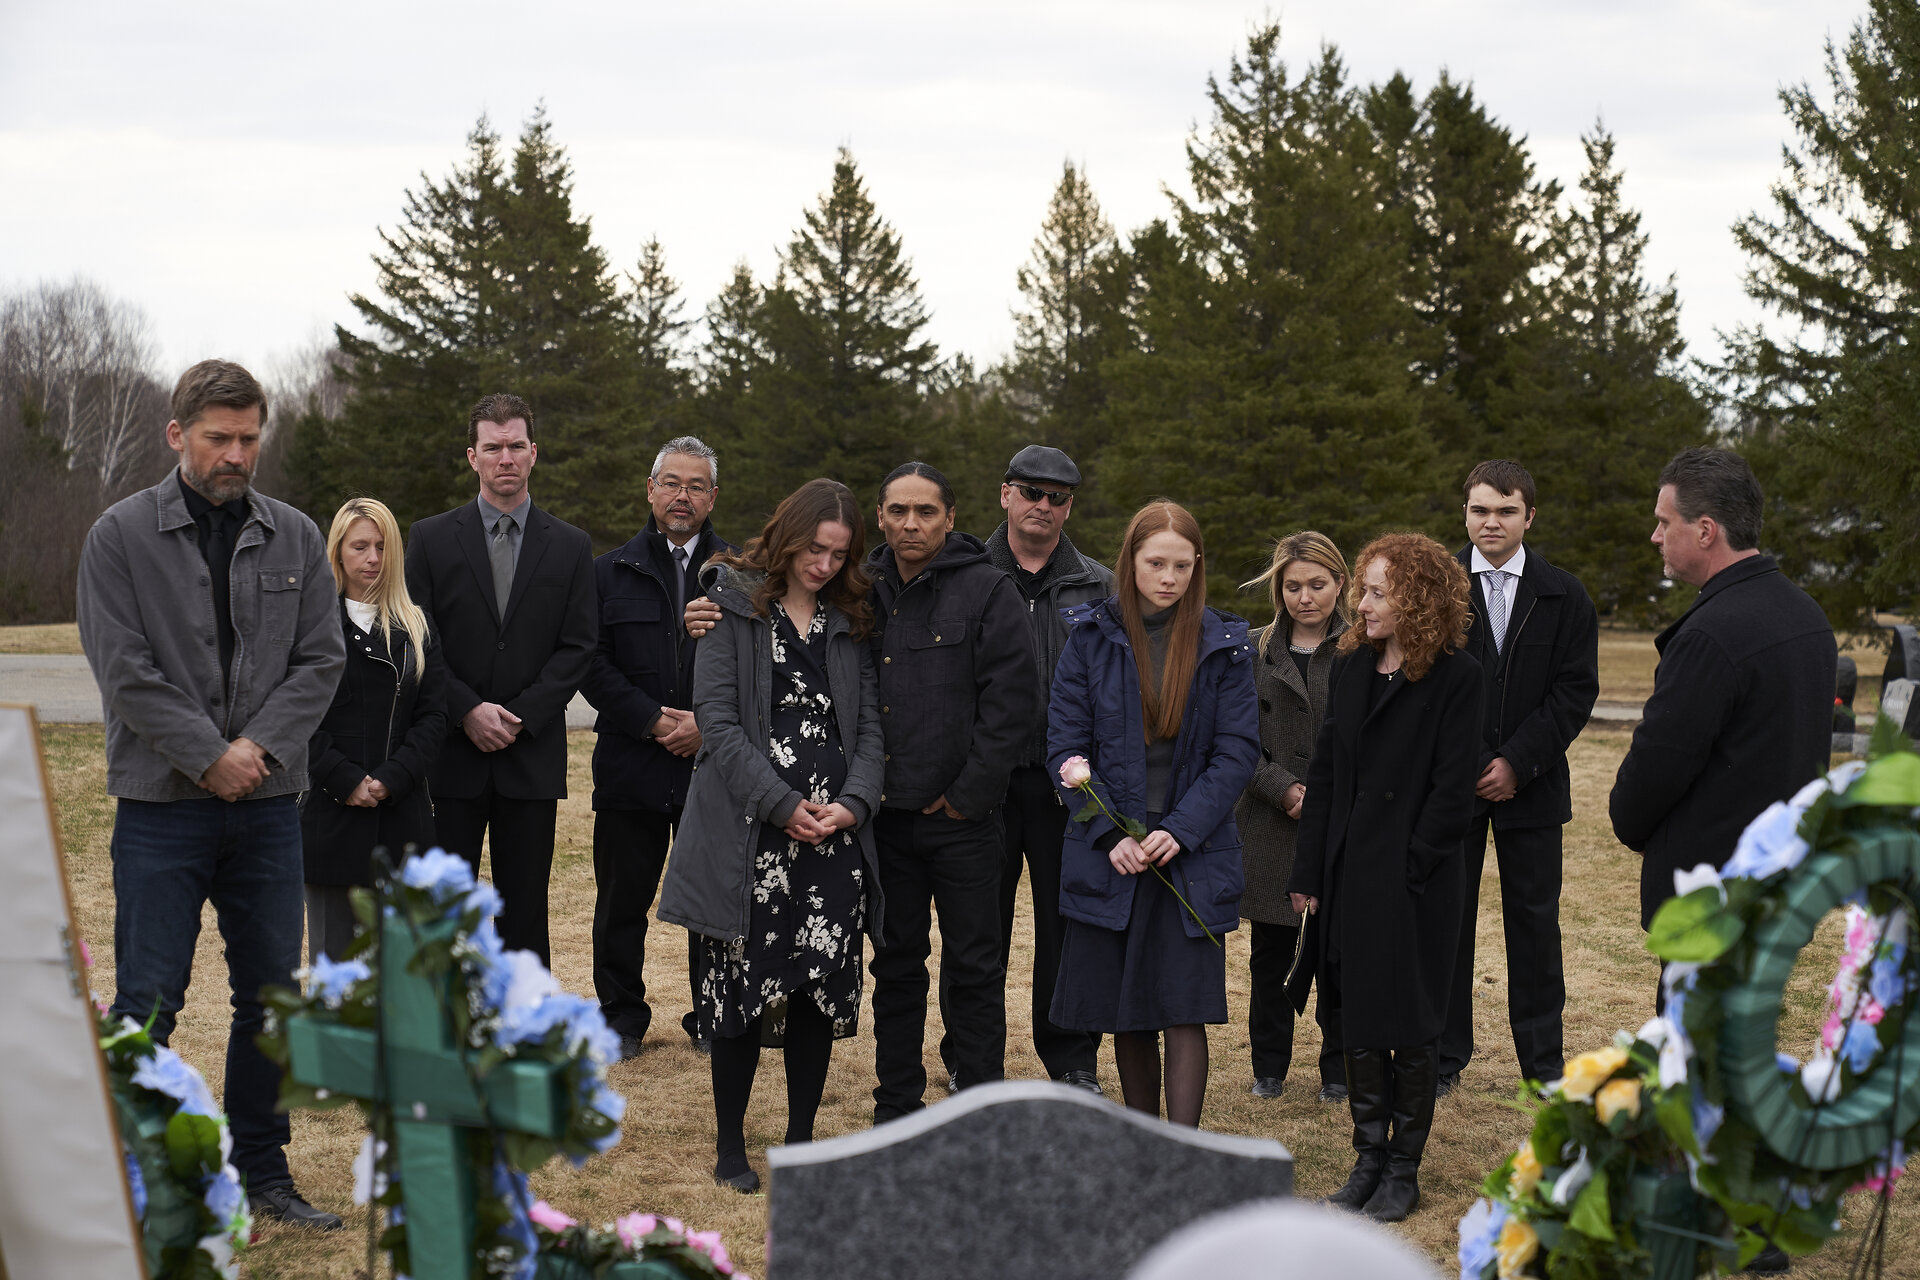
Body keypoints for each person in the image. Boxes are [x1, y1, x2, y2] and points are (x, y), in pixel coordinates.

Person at [77, 359, 346, 1228]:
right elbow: (126, 673)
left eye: (249, 438)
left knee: (270, 997)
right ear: (176, 435)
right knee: (149, 1000)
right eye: (219, 437)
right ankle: (135, 1178)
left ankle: (262, 1172)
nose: (237, 453)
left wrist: (255, 751)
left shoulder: (298, 536)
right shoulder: (118, 537)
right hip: (160, 810)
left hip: (268, 808)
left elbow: (321, 662)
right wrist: (208, 758)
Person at [656, 479, 885, 1193]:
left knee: (817, 990)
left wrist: (852, 805)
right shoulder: (732, 607)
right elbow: (716, 726)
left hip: (831, 842)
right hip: (752, 840)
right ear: (787, 536)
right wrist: (784, 805)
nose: (823, 565)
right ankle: (731, 1146)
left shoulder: (850, 619)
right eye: (814, 549)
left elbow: (871, 729)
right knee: (738, 997)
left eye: (837, 554)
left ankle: (801, 1141)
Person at [1286, 532, 1480, 1223]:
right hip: (1349, 871)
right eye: (1363, 589)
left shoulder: (1459, 677)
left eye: (1373, 591)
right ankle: (1367, 1158)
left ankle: (1404, 1167)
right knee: (1360, 1017)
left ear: (1415, 599)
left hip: (1416, 881)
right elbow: (1328, 774)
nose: (1359, 603)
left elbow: (1454, 792)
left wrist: (1411, 867)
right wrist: (1310, 870)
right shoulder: (1352, 667)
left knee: (1415, 1021)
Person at [1047, 501, 1259, 1126]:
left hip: (1187, 854)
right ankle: (1145, 1142)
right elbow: (1065, 745)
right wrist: (1110, 831)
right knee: (1127, 1006)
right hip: (1115, 853)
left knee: (1183, 1005)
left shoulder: (1226, 643)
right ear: (1130, 562)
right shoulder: (1089, 638)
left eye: (1182, 566)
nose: (1169, 577)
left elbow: (1237, 751)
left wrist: (1181, 830)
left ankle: (1182, 1149)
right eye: (1155, 563)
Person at [864, 462, 1039, 1120]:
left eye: (926, 512)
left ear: (951, 517)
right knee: (896, 966)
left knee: (974, 967)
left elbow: (1012, 705)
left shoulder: (987, 591)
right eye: (899, 511)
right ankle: (897, 1106)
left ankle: (979, 1104)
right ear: (880, 516)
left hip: (965, 823)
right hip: (884, 822)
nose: (912, 524)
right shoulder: (861, 589)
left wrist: (968, 794)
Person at [404, 393, 597, 965]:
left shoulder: (570, 545)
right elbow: (420, 634)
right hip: (449, 754)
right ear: (473, 456)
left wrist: (523, 715)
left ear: (533, 453)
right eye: (493, 447)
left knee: (525, 907)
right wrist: (466, 709)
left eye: (516, 446)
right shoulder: (431, 539)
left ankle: (517, 1029)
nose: (505, 457)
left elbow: (579, 645)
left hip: (529, 755)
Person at [1611, 447, 1835, 930]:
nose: (1655, 536)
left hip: (1711, 888)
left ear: (1706, 530)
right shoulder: (1806, 614)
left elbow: (1659, 763)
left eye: (1665, 523)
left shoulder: (1710, 636)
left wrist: (1629, 822)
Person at [948, 444, 1111, 1094]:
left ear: (1069, 506)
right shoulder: (962, 575)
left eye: (1057, 497)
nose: (1044, 506)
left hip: (1066, 790)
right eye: (1032, 492)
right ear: (1005, 494)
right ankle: (968, 1058)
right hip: (981, 784)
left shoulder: (1099, 585)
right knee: (974, 932)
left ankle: (1071, 1058)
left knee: (1070, 929)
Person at [1437, 462, 1599, 1097]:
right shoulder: (1439, 588)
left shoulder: (1564, 595)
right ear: (1466, 514)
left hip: (1532, 789)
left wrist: (1516, 763)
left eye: (1505, 511)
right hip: (1453, 789)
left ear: (1529, 516)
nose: (1490, 523)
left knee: (1535, 924)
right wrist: (1474, 762)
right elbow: (1427, 682)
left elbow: (1573, 692)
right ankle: (1443, 1056)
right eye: (1480, 510)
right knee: (1447, 922)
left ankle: (1543, 1064)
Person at [579, 435, 735, 1059]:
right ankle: (620, 1016)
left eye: (696, 486)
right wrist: (650, 720)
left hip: (712, 765)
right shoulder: (608, 572)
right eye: (671, 483)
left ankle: (714, 1013)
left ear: (713, 497)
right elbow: (590, 663)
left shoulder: (742, 572)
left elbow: (760, 667)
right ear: (650, 490)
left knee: (713, 897)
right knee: (621, 898)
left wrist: (707, 723)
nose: (682, 496)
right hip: (630, 764)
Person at [301, 498, 448, 963]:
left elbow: (433, 717)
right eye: (360, 546)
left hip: (402, 818)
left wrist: (392, 778)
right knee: (336, 972)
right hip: (330, 819)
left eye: (382, 547)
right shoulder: (311, 626)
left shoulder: (417, 626)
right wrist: (345, 780)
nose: (372, 558)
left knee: (401, 973)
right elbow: (298, 718)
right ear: (338, 552)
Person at [1234, 531, 1350, 1103]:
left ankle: (1338, 1069)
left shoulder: (1363, 650)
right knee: (1270, 953)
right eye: (1294, 585)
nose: (1306, 597)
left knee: (1337, 953)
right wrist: (1282, 789)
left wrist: (1325, 799)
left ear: (1340, 583)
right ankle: (1269, 1066)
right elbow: (1234, 742)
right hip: (1269, 821)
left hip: (1340, 824)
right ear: (1279, 589)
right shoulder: (1252, 652)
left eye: (1318, 584)